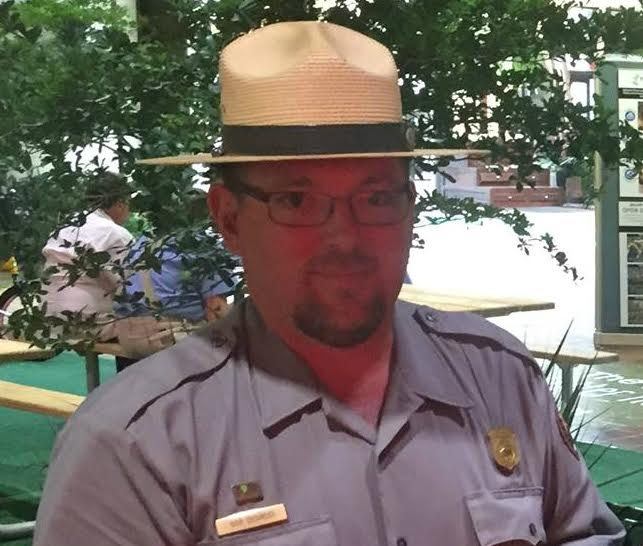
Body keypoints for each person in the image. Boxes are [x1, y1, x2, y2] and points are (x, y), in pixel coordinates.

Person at [34, 21, 624, 545]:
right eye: (297, 199)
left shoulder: (500, 377)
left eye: (374, 197)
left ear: (410, 208)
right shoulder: (136, 447)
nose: (344, 238)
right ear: (230, 220)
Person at [113, 230, 237, 368]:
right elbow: (216, 309)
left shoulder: (143, 241)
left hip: (129, 338)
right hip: (166, 339)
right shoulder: (203, 244)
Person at [41, 172, 133, 341]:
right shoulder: (117, 234)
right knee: (142, 327)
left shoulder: (67, 225)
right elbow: (126, 285)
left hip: (51, 316)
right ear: (120, 204)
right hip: (88, 321)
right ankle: (132, 369)